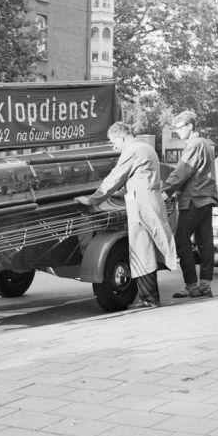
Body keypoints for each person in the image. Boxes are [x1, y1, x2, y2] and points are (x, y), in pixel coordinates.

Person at [76, 122, 177, 308]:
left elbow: (115, 176)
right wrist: (116, 194)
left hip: (142, 204)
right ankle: (150, 297)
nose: (114, 146)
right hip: (147, 200)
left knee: (141, 250)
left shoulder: (133, 150)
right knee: (145, 249)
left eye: (114, 142)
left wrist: (94, 200)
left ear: (121, 137)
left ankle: (150, 298)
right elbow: (134, 178)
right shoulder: (146, 148)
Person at [161, 110, 218, 298]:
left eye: (179, 127)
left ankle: (191, 286)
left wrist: (165, 190)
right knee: (204, 241)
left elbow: (183, 171)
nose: (177, 131)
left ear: (190, 126)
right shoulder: (205, 144)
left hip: (194, 199)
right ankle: (205, 284)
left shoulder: (194, 144)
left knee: (181, 240)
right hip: (206, 198)